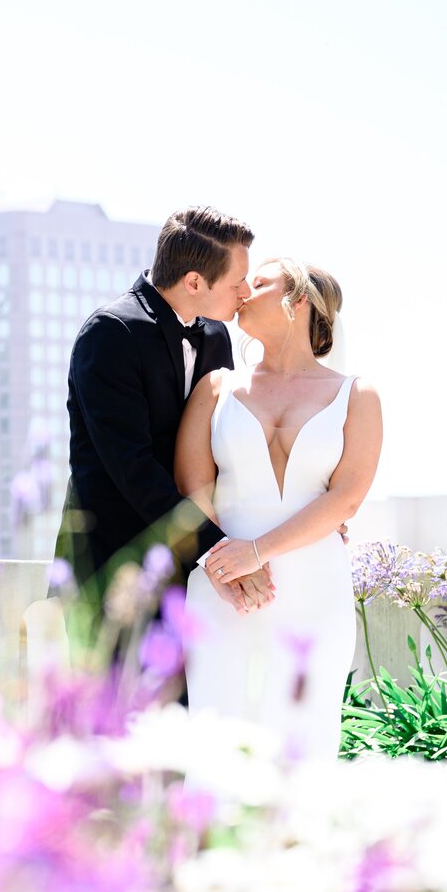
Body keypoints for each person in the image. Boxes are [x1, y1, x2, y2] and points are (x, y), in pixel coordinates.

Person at [175, 258, 383, 760]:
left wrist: (258, 552)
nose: (243, 290)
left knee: (303, 740)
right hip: (223, 588)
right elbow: (192, 486)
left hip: (316, 590)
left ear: (299, 301)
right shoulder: (216, 387)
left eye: (260, 283)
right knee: (218, 736)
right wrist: (228, 566)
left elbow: (346, 498)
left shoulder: (357, 395)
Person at [52, 206, 276, 632]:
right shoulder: (109, 334)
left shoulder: (215, 335)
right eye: (236, 282)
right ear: (194, 282)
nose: (245, 291)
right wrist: (220, 553)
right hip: (111, 572)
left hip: (193, 577)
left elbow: (229, 447)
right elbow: (134, 469)